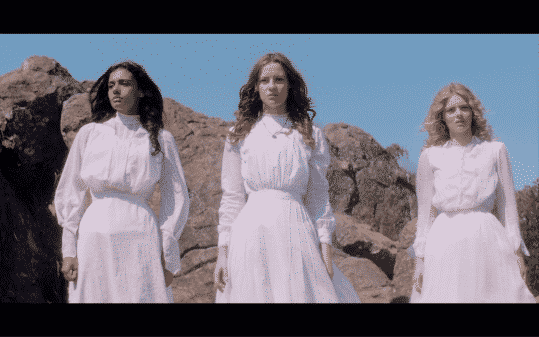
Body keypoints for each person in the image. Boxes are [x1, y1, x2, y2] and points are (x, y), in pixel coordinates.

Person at [213, 52, 360, 303]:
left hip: (295, 228)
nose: (272, 87)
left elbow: (318, 196)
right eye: (264, 80)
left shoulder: (309, 134)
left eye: (279, 79)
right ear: (256, 87)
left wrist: (325, 249)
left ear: (290, 85)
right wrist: (222, 253)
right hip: (250, 232)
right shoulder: (239, 134)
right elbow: (232, 198)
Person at [55, 61, 190, 303]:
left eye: (124, 83)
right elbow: (70, 191)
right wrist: (69, 250)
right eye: (111, 85)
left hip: (141, 235)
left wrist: (167, 251)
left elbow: (177, 197)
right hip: (94, 234)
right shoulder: (90, 134)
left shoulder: (161, 139)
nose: (116, 90)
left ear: (140, 90)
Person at [410, 82, 535, 303]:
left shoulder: (495, 151)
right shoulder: (429, 157)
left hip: (487, 238)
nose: (458, 114)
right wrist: (420, 261)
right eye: (451, 110)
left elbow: (508, 207)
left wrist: (517, 252)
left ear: (473, 112)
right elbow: (426, 214)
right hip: (444, 241)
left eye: (464, 108)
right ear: (443, 117)